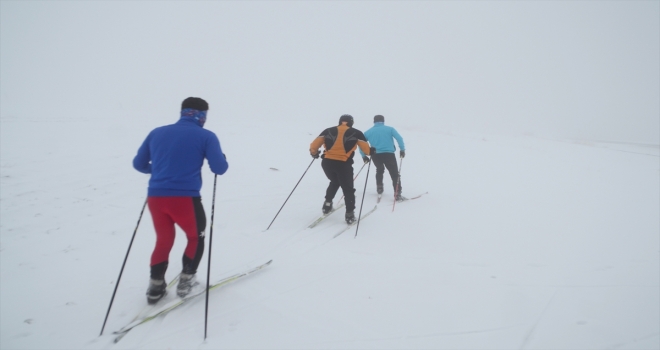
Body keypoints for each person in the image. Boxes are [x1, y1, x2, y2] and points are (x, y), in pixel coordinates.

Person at [133, 97, 228, 304]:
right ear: (202, 116)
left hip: (156, 198)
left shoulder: (157, 132)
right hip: (185, 199)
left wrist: (159, 170)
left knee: (164, 239)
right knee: (196, 238)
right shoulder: (206, 136)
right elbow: (219, 168)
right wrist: (222, 157)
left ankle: (155, 287)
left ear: (183, 112)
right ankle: (186, 282)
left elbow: (139, 164)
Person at [310, 114, 372, 224]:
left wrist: (314, 153)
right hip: (343, 164)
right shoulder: (357, 133)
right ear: (351, 122)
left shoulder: (328, 130)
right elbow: (367, 151)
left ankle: (327, 205)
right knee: (348, 189)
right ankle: (349, 214)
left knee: (335, 181)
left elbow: (314, 145)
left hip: (327, 163)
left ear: (340, 121)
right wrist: (372, 151)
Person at [360, 114, 406, 201]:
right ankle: (397, 194)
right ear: (383, 121)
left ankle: (379, 188)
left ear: (374, 121)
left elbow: (361, 144)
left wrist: (364, 156)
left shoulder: (368, 132)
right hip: (389, 155)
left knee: (380, 170)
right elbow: (399, 138)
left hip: (375, 155)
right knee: (394, 174)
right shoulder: (390, 129)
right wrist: (402, 149)